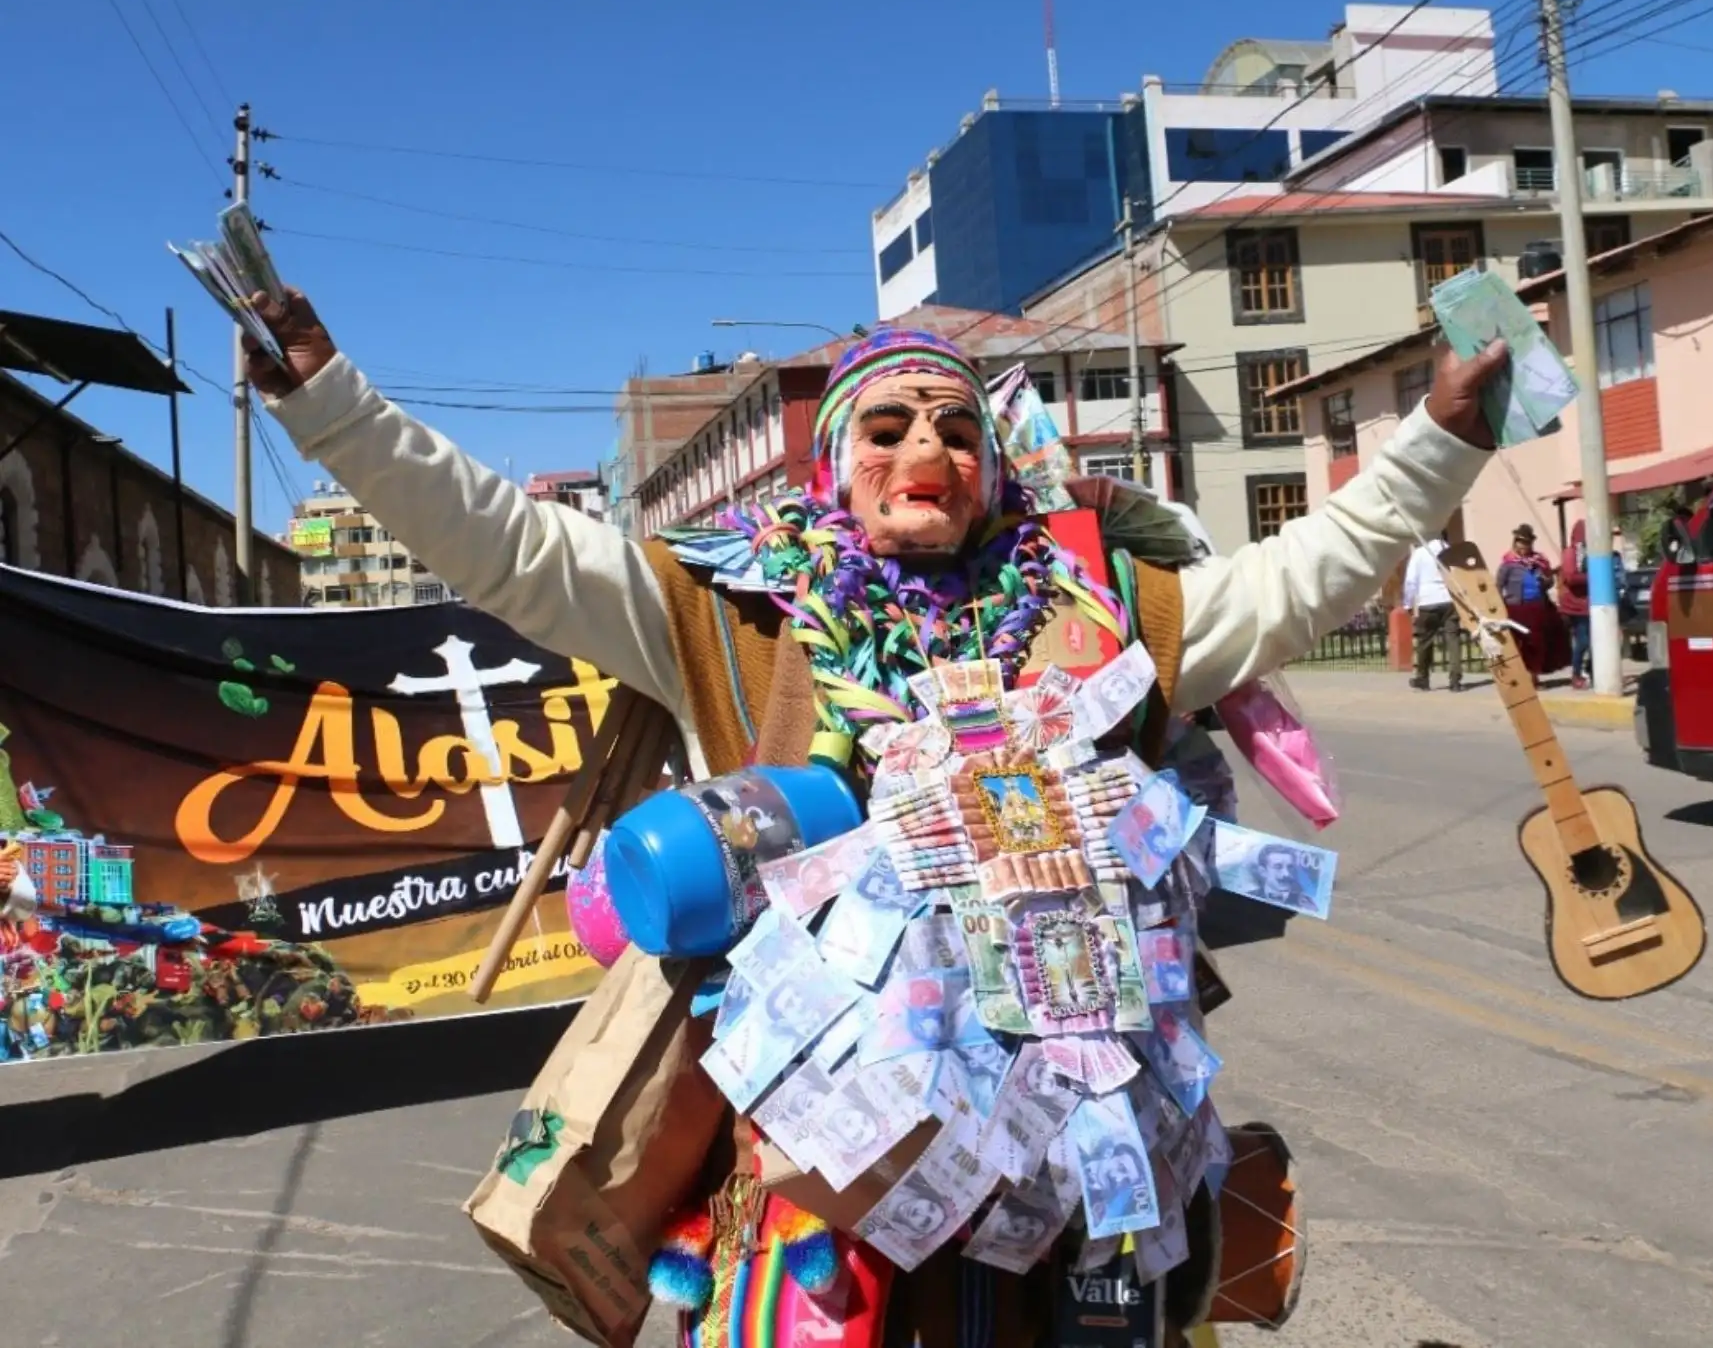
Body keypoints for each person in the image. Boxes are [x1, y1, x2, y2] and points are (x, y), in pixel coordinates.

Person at [245, 290, 1506, 1348]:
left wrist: (1439, 439)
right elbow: (509, 545)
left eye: (958, 430)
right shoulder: (732, 611)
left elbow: (1297, 584)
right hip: (822, 1177)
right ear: (834, 464)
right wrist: (330, 402)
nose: (926, 455)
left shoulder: (1103, 606)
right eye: (889, 428)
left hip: (1069, 1170)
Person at [1497, 524, 1566, 687]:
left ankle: (1533, 677)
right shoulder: (1508, 564)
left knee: (1537, 642)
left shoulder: (1539, 561)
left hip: (1537, 606)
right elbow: (1498, 586)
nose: (1523, 546)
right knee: (1520, 643)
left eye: (1526, 543)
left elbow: (1549, 581)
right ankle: (1519, 676)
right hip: (1517, 608)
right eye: (1520, 542)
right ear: (1515, 543)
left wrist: (1545, 581)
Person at [1401, 527, 1462, 692]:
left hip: (1428, 601)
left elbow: (1411, 581)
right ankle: (1455, 679)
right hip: (1450, 600)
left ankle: (1423, 678)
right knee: (1453, 640)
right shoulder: (1450, 550)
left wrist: (1408, 604)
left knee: (1425, 642)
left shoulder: (1420, 553)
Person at [1559, 520, 1592, 690]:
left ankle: (1590, 671)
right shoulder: (1571, 553)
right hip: (1575, 606)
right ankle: (1576, 674)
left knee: (1595, 641)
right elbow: (1570, 577)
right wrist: (1593, 577)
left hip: (1589, 604)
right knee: (1583, 641)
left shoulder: (1591, 552)